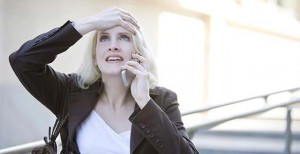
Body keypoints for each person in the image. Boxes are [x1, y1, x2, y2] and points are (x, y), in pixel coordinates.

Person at [9, 7, 199, 154]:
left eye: (124, 37)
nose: (113, 46)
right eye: (104, 38)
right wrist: (88, 24)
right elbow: (23, 61)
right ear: (94, 55)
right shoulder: (70, 92)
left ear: (138, 53)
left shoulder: (162, 100)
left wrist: (144, 101)